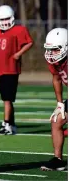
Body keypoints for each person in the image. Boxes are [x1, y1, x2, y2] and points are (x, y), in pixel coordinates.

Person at [0, 5, 33, 135]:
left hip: (11, 69)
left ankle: (7, 124)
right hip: (1, 70)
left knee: (7, 100)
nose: (5, 22)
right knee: (6, 99)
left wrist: (18, 54)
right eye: (2, 19)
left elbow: (29, 42)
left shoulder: (18, 30)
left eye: (7, 19)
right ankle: (12, 125)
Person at [40, 28, 67, 171]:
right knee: (56, 120)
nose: (51, 54)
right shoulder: (55, 62)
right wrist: (60, 103)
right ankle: (58, 160)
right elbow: (56, 79)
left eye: (55, 50)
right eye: (49, 49)